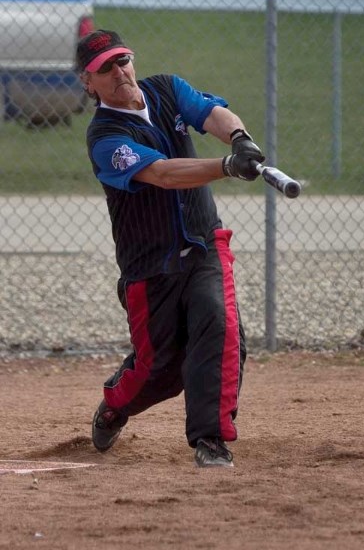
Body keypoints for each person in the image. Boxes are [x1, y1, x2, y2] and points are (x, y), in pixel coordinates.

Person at [76, 29, 265, 468]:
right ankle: (115, 405)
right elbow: (162, 174)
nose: (119, 71)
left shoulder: (165, 89)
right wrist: (226, 167)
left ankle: (211, 440)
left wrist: (239, 140)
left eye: (122, 60)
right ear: (88, 84)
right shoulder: (104, 138)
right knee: (157, 370)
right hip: (151, 268)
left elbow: (211, 112)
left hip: (204, 245)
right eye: (104, 67)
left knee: (220, 327)